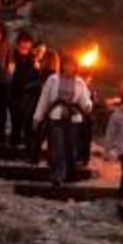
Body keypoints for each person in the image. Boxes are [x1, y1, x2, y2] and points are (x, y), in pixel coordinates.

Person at [32, 54, 93, 185]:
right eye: (66, 64)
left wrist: (88, 106)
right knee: (57, 146)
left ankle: (68, 173)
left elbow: (84, 98)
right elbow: (44, 98)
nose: (69, 67)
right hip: (56, 115)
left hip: (73, 117)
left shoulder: (80, 82)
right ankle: (56, 175)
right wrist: (38, 116)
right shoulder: (53, 80)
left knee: (70, 148)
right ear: (62, 66)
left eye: (72, 65)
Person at [8, 32, 41, 148]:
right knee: (15, 115)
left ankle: (27, 140)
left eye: (28, 42)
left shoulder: (33, 57)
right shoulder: (13, 55)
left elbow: (37, 72)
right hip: (15, 89)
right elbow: (10, 72)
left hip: (29, 90)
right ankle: (15, 138)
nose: (26, 45)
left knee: (27, 116)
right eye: (23, 42)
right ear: (18, 43)